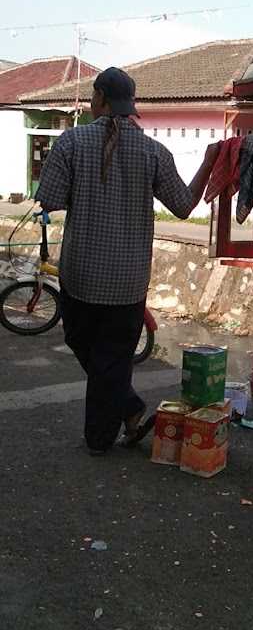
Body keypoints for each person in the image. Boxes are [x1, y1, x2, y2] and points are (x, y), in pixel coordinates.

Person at [36, 67, 221, 456]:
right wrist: (207, 162)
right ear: (130, 105)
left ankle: (101, 438)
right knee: (112, 358)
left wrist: (85, 191)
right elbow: (185, 206)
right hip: (128, 281)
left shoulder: (70, 143)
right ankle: (132, 410)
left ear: (100, 98)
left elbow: (49, 199)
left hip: (81, 276)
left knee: (88, 347)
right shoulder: (155, 151)